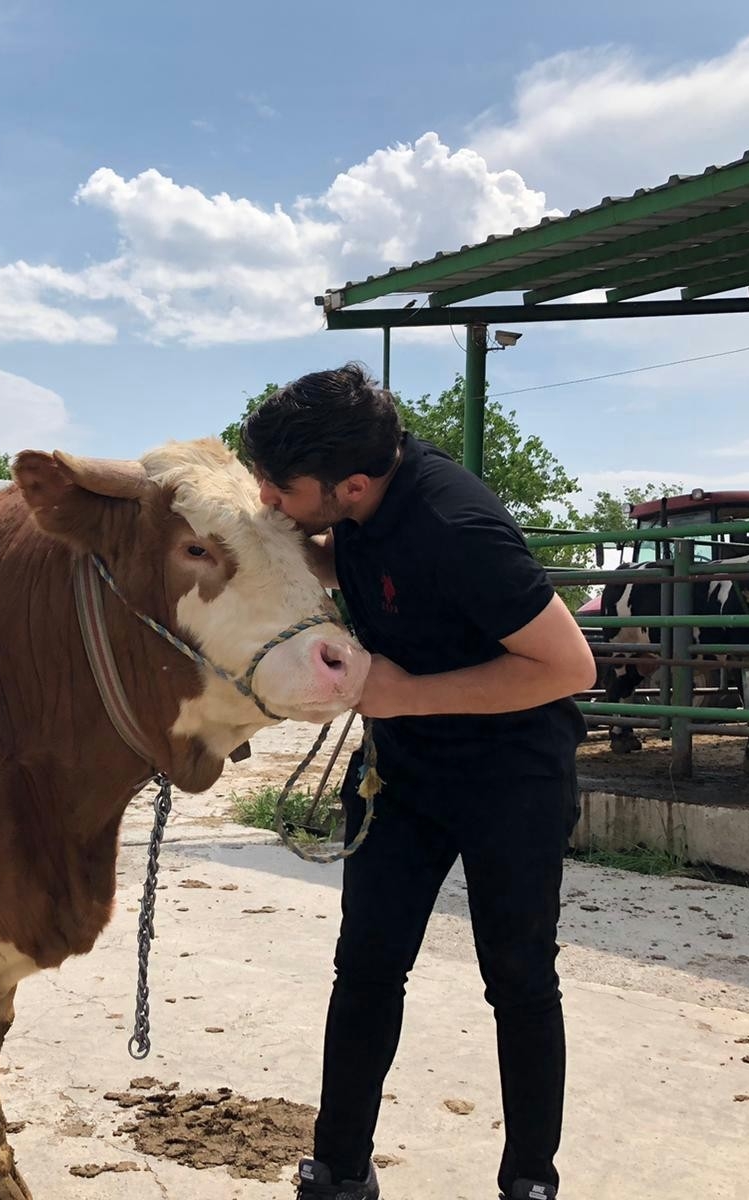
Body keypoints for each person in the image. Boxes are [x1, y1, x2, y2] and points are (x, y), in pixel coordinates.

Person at [240, 363, 596, 1200]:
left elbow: (568, 665)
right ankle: (338, 1167)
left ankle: (529, 1181)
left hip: (510, 775)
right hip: (402, 772)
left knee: (517, 973)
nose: (268, 493)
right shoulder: (362, 497)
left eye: (279, 486)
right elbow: (347, 556)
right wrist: (281, 533)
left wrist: (405, 695)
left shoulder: (457, 525)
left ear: (351, 483)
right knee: (366, 963)